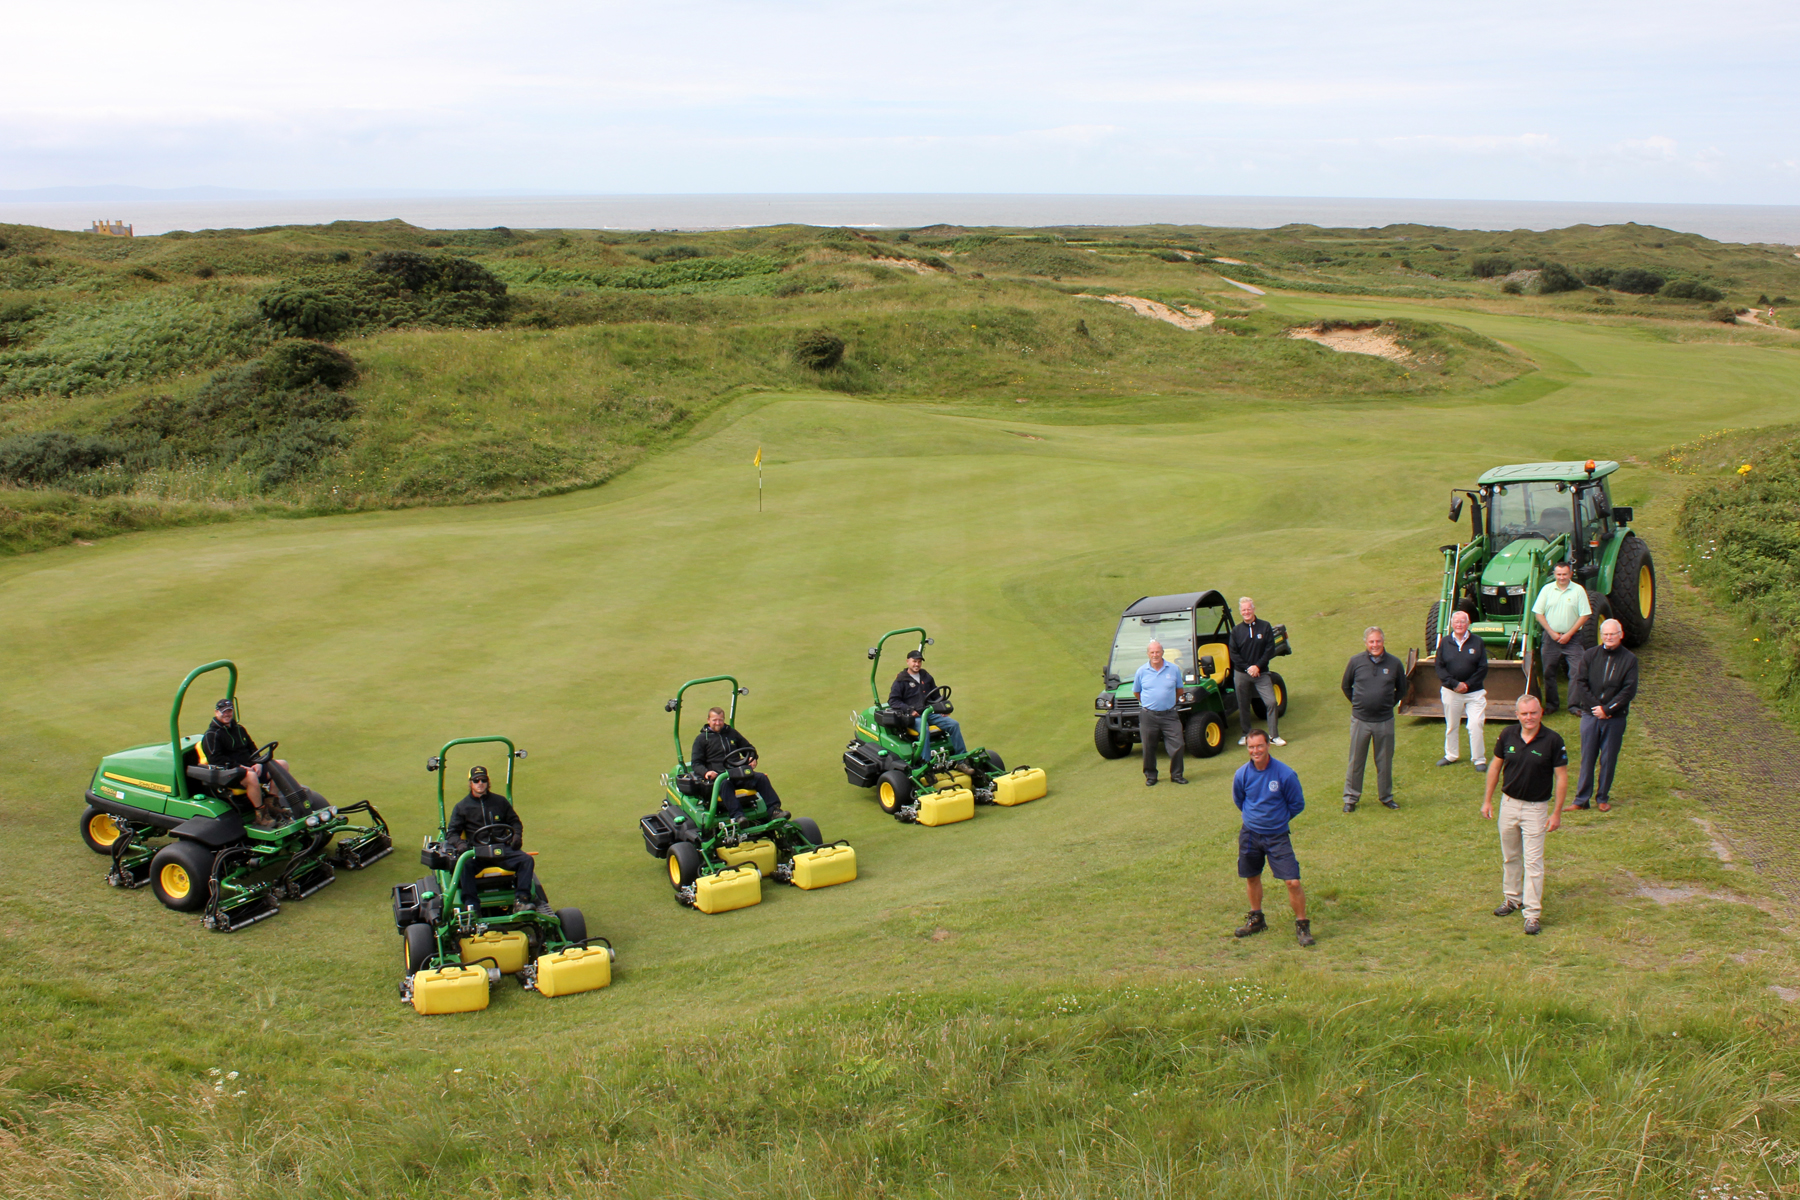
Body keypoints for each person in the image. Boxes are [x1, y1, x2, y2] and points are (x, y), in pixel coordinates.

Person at [1481, 694, 1568, 935]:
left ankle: (1532, 914)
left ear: (1540, 713)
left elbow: (1561, 777)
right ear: (1517, 715)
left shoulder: (1552, 740)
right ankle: (1512, 899)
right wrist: (1487, 801)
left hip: (1536, 809)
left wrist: (1556, 813)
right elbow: (1495, 767)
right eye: (1524, 713)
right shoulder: (1507, 735)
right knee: (1510, 857)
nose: (1529, 717)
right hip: (1508, 805)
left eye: (1533, 712)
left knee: (1533, 862)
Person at [1231, 729, 1312, 946]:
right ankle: (1256, 919)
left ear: (1268, 745)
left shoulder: (1285, 774)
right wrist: (1255, 819)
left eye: (1259, 746)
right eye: (1251, 747)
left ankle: (1302, 926)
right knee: (1252, 876)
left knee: (1293, 882)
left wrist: (1276, 820)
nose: (1255, 751)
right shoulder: (1242, 774)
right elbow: (1240, 800)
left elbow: (1297, 804)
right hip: (1250, 835)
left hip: (1277, 836)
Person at [446, 765, 542, 914]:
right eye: (476, 780)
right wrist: (460, 844)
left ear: (488, 782)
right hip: (477, 852)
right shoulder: (462, 807)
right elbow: (452, 833)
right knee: (464, 864)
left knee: (526, 860)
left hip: (501, 849)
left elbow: (515, 822)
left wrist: (517, 836)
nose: (480, 783)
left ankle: (521, 899)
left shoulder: (500, 802)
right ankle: (471, 905)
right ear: (470, 783)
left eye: (483, 780)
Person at [1572, 618, 1639, 812]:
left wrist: (1608, 710)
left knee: (1608, 758)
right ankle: (1581, 800)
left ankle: (1602, 797)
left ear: (1621, 635)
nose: (1609, 637)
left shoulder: (1629, 659)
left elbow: (1629, 690)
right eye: (1606, 634)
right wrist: (1596, 708)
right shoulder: (1590, 655)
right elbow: (1581, 682)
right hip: (1591, 715)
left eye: (1613, 634)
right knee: (1587, 756)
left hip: (1615, 717)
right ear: (1601, 635)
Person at [1340, 626, 1407, 812]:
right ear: (1366, 643)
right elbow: (1346, 686)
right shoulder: (1355, 661)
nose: (1375, 645)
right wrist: (1358, 703)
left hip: (1385, 721)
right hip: (1361, 720)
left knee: (1384, 761)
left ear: (1383, 641)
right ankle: (1351, 799)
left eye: (1378, 641)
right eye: (1371, 642)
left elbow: (1402, 688)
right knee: (1356, 760)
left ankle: (1386, 797)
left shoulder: (1394, 663)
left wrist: (1387, 704)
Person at [201, 697, 290, 828]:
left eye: (229, 711)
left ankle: (271, 803)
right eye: (223, 711)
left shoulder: (239, 729)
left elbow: (252, 747)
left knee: (282, 765)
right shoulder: (212, 735)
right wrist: (240, 767)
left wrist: (258, 762)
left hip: (250, 767)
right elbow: (216, 759)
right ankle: (260, 815)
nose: (227, 714)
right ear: (216, 712)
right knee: (251, 776)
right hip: (229, 773)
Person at [690, 706, 787, 820]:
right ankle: (738, 816)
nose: (718, 723)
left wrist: (752, 758)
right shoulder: (702, 739)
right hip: (720, 777)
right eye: (714, 720)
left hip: (738, 773)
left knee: (761, 778)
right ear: (708, 720)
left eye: (720, 720)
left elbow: (748, 748)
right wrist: (707, 772)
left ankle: (774, 810)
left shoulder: (731, 733)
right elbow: (696, 763)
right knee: (725, 784)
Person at [1532, 561, 1592, 715]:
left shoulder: (1578, 590)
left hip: (1573, 638)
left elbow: (1585, 614)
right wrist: (1552, 633)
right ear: (1554, 574)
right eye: (1559, 574)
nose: (1562, 577)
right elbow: (1538, 613)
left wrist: (1569, 634)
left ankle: (1574, 706)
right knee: (1548, 672)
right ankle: (1552, 705)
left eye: (1565, 574)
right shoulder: (1547, 589)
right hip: (1551, 637)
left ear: (1570, 574)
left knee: (1577, 672)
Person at [1435, 608, 1490, 771]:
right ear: (1452, 624)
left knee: (1476, 724)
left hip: (1475, 693)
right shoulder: (1444, 642)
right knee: (1452, 724)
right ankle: (1451, 755)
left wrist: (1467, 685)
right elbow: (1439, 666)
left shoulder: (1477, 641)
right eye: (1456, 622)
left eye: (1463, 621)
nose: (1460, 624)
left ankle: (1479, 759)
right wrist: (1454, 684)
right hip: (1451, 692)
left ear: (1469, 623)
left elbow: (1483, 668)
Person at [888, 649, 966, 757]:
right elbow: (893, 700)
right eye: (914, 661)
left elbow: (936, 695)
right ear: (908, 661)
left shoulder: (926, 677)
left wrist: (942, 708)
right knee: (924, 729)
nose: (917, 664)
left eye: (919, 662)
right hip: (915, 717)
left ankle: (962, 758)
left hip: (929, 712)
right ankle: (926, 761)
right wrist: (909, 710)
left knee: (953, 725)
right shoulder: (901, 681)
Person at [1230, 596, 1284, 747]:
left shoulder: (1265, 626)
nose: (1246, 612)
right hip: (1242, 673)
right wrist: (1248, 668)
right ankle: (1246, 734)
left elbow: (1269, 650)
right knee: (1243, 704)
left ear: (1253, 609)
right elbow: (1233, 654)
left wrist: (1257, 667)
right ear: (1240, 612)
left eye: (1248, 609)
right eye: (1243, 610)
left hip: (1261, 673)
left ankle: (1274, 736)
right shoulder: (1236, 631)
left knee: (1272, 702)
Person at [1133, 639, 1186, 787]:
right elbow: (1137, 692)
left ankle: (1176, 775)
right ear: (1148, 654)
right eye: (1152, 652)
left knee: (1178, 744)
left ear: (1162, 653)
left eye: (1157, 652)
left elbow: (1179, 690)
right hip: (1148, 715)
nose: (1155, 655)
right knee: (1148, 747)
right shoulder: (1141, 671)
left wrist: (1168, 702)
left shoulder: (1173, 669)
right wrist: (1150, 703)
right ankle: (1151, 776)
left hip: (1169, 714)